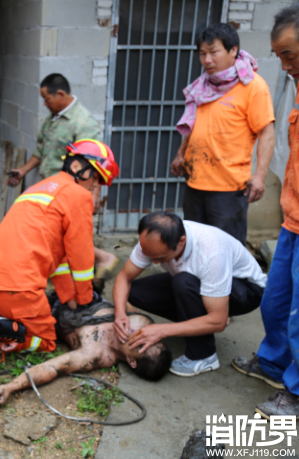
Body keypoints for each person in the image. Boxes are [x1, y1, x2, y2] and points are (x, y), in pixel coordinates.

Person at [0, 139, 119, 372]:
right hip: (18, 287)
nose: (94, 186)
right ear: (80, 168)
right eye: (96, 178)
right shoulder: (78, 196)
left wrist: (69, 295)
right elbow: (81, 258)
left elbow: (56, 261)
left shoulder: (41, 187)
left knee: (27, 316)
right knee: (47, 342)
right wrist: (84, 300)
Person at [233, 4, 299, 418]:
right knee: (275, 301)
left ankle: (294, 392)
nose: (284, 64)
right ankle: (274, 363)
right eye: (278, 55)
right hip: (293, 217)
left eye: (289, 54)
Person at [113, 211, 266, 378]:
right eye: (150, 256)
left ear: (181, 242)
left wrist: (162, 330)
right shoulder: (153, 239)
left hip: (245, 290)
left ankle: (204, 355)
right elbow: (124, 278)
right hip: (199, 282)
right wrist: (120, 313)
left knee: (183, 283)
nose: (154, 262)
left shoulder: (211, 252)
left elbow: (219, 322)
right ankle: (201, 318)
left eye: (161, 257)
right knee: (135, 291)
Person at [6, 73, 117, 294]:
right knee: (57, 238)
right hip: (52, 188)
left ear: (60, 94)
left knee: (73, 240)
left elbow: (94, 164)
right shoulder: (52, 119)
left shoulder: (83, 122)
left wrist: (93, 196)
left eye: (46, 98)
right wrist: (23, 171)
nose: (45, 103)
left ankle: (91, 280)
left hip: (72, 191)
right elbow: (41, 152)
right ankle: (75, 280)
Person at [170, 23, 275, 245]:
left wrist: (260, 177)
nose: (207, 60)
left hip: (229, 190)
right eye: (202, 53)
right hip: (195, 183)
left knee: (226, 252)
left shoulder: (253, 87)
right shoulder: (202, 86)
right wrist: (181, 154)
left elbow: (266, 133)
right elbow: (193, 125)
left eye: (213, 52)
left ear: (233, 50)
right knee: (196, 247)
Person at [0, 300, 172, 407]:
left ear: (132, 361)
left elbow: (53, 367)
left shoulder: (96, 355)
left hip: (46, 310)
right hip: (74, 289)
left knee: (2, 325)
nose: (138, 335)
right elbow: (122, 295)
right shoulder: (143, 323)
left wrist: (11, 386)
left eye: (140, 346)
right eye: (149, 338)